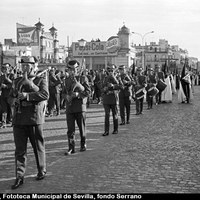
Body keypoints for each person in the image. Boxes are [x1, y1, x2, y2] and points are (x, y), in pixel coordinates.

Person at [9, 56, 49, 189]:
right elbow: (9, 97)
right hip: (19, 119)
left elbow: (44, 94)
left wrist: (28, 94)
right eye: (22, 65)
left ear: (33, 66)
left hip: (33, 118)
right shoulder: (16, 81)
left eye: (27, 65)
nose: (24, 68)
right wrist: (13, 100)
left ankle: (41, 170)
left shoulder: (40, 80)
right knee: (20, 151)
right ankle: (19, 177)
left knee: (38, 147)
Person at [63, 60, 90, 155]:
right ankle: (71, 147)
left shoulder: (83, 78)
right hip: (70, 108)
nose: (71, 71)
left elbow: (88, 92)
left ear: (77, 69)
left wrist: (78, 94)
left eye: (73, 69)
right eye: (69, 70)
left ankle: (83, 144)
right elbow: (63, 93)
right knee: (70, 130)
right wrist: (66, 97)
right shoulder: (66, 80)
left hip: (80, 107)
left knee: (82, 128)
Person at [101, 65, 119, 136]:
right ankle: (106, 131)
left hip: (114, 99)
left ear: (114, 70)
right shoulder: (104, 78)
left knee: (115, 115)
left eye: (112, 70)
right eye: (109, 71)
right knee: (107, 115)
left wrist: (113, 86)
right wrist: (104, 89)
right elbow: (101, 89)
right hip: (106, 99)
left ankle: (115, 129)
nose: (110, 72)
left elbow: (120, 86)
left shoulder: (117, 77)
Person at [0, 63, 14, 128]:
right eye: (3, 68)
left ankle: (12, 121)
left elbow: (14, 85)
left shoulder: (12, 75)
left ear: (9, 68)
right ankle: (3, 122)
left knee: (11, 109)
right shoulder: (1, 76)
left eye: (6, 68)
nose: (5, 69)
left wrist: (6, 86)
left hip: (10, 95)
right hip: (3, 95)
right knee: (4, 109)